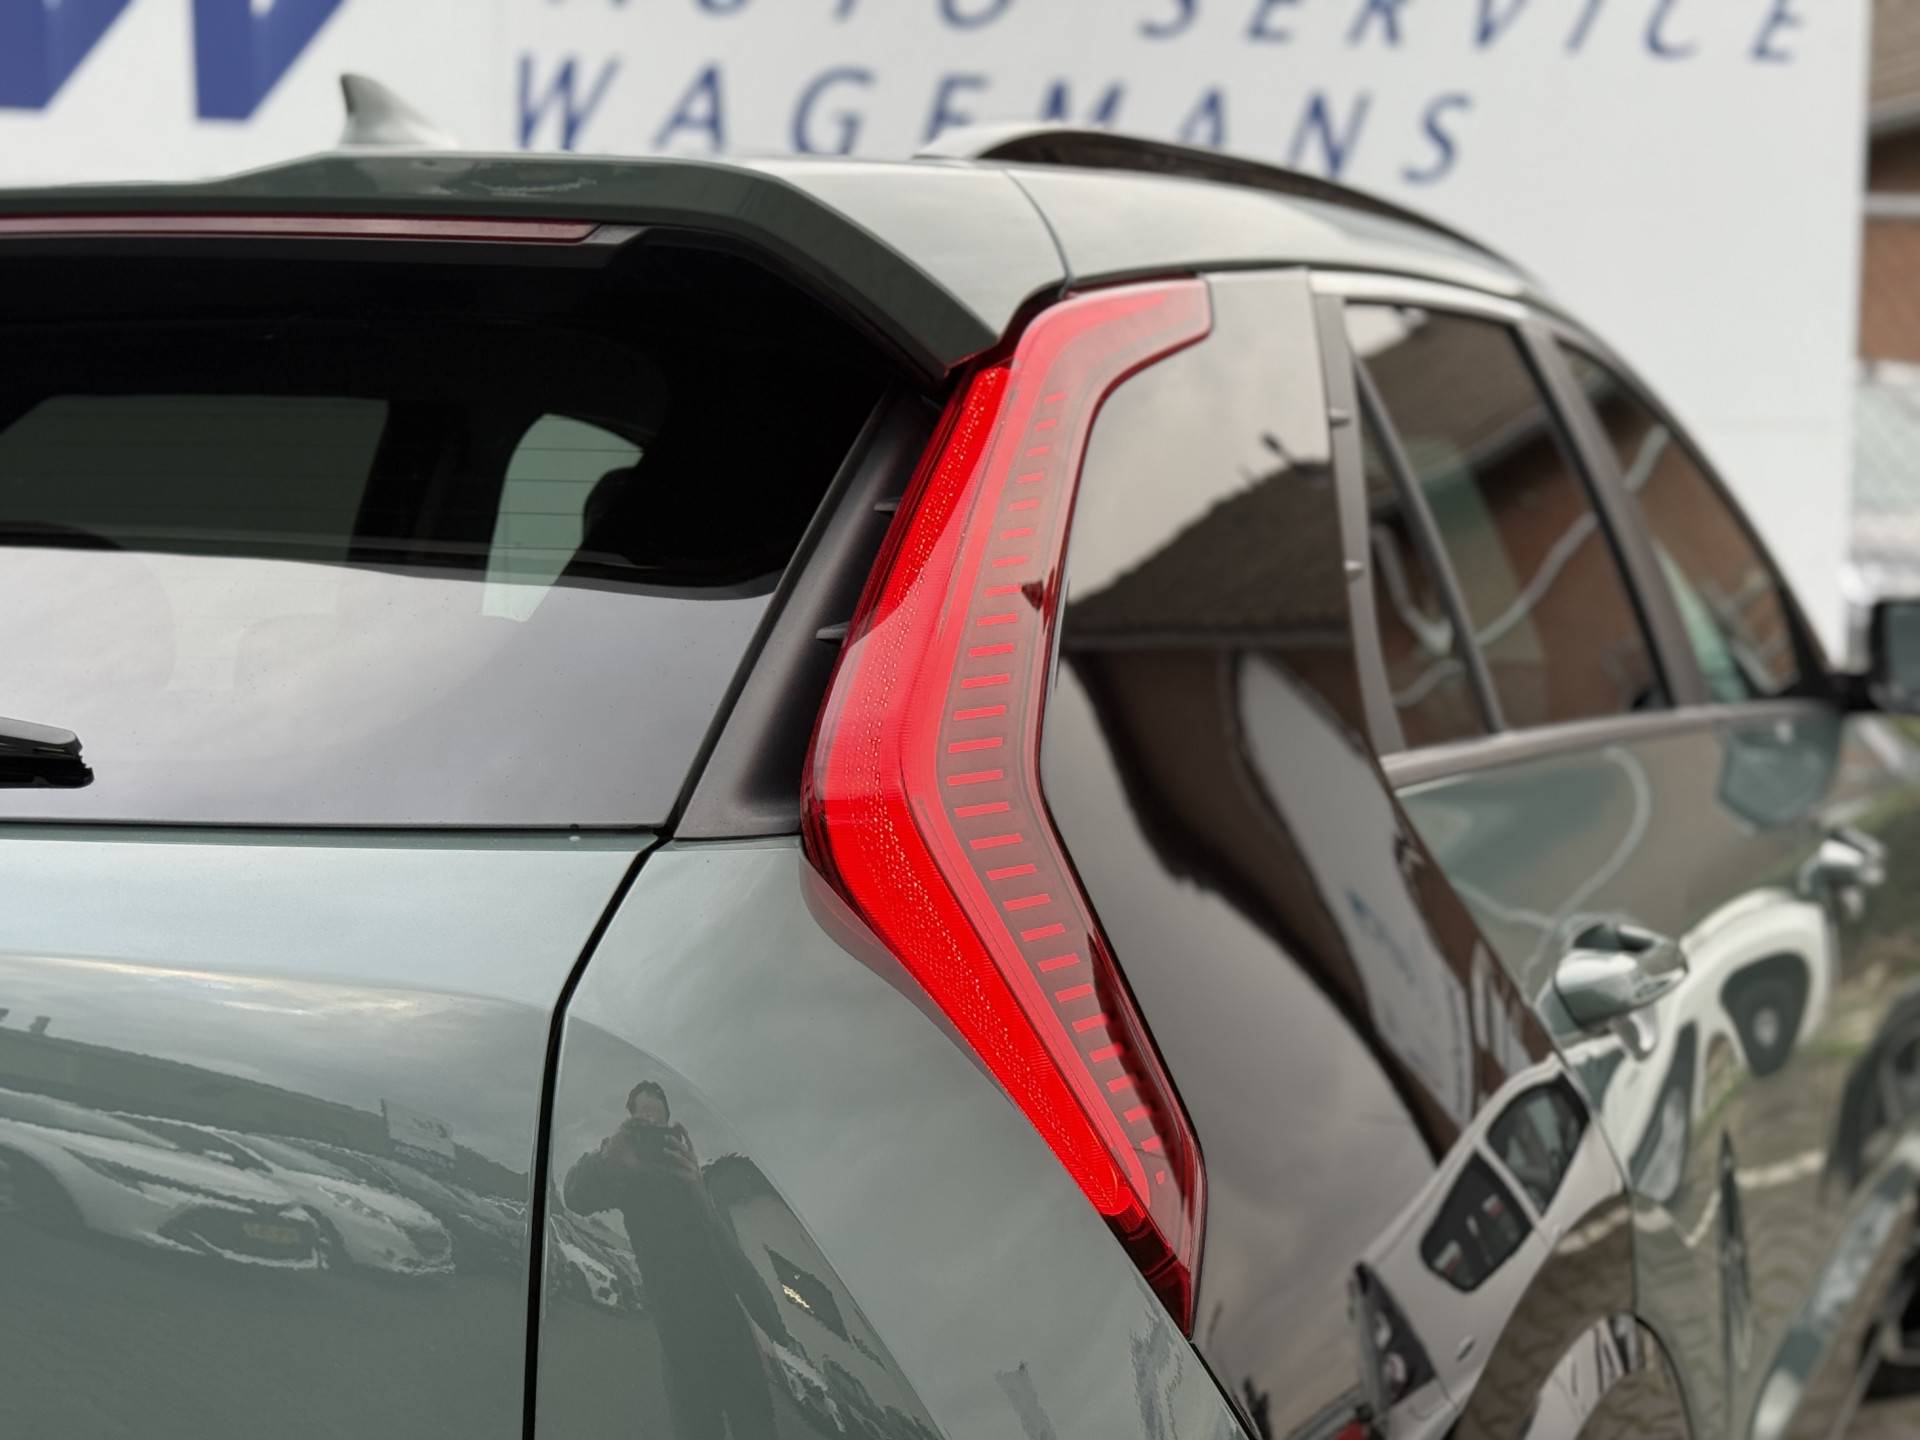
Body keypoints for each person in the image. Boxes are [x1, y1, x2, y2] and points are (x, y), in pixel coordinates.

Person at [564, 1081, 786, 1439]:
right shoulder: (627, 1178)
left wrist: (699, 1195)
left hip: (731, 1337)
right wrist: (608, 1161)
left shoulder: (694, 1178)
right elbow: (575, 1196)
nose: (653, 1128)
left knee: (756, 1428)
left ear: (671, 1127)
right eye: (644, 1122)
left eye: (659, 1122)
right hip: (680, 1347)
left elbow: (737, 1265)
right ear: (631, 1125)